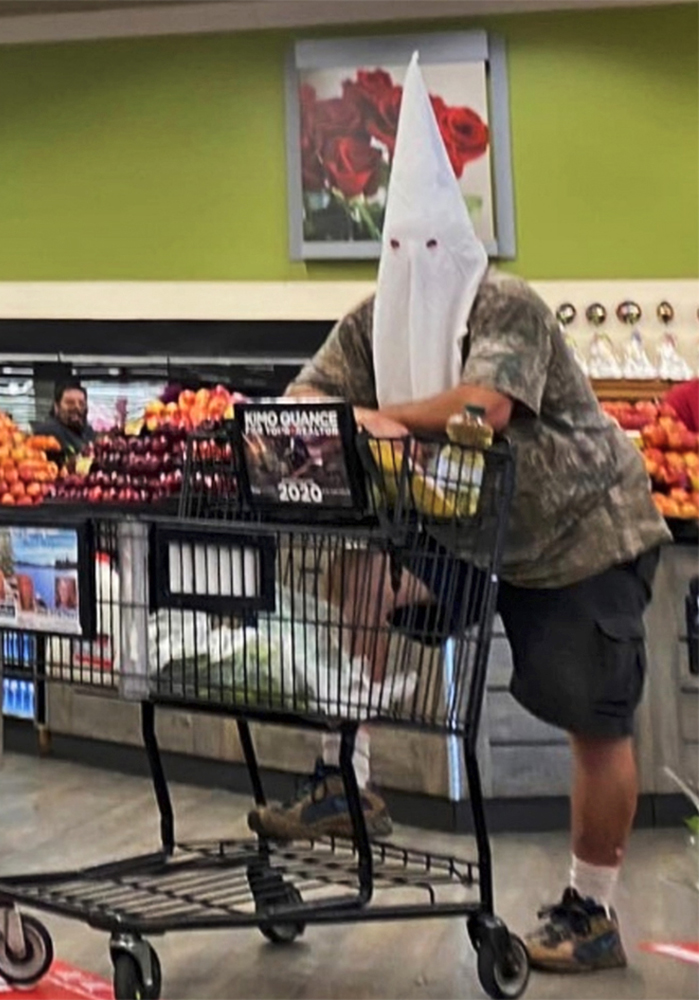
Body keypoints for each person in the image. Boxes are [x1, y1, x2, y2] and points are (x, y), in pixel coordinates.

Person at [246, 55, 671, 974]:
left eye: (429, 251)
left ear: (461, 250)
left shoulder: (505, 304)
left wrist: (379, 418)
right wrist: (322, 421)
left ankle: (591, 910)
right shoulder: (374, 318)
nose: (415, 268)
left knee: (591, 719)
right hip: (467, 533)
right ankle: (344, 781)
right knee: (358, 575)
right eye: (399, 253)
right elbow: (306, 393)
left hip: (578, 537)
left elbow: (485, 407)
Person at [33, 379, 95, 454]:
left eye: (81, 403)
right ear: (56, 407)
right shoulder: (48, 432)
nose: (77, 407)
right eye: (70, 403)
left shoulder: (89, 432)